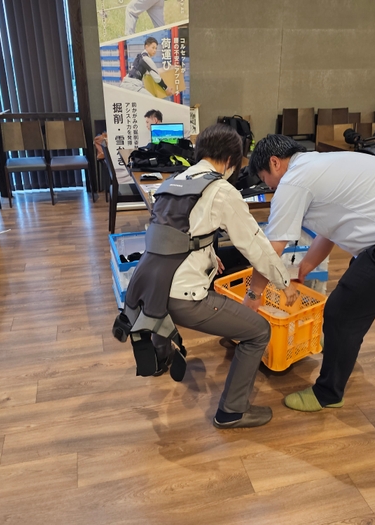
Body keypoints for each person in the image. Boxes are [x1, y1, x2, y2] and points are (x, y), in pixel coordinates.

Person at [246, 135, 375, 413]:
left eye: (265, 179)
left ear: (274, 163)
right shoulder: (319, 164)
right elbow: (329, 230)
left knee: (342, 312)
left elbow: (272, 249)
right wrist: (304, 268)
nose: (269, 186)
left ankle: (328, 394)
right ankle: (339, 346)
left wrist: (254, 294)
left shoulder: (293, 180)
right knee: (352, 302)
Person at [122, 124, 298, 429]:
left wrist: (206, 253)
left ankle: (161, 356)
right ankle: (232, 411)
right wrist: (285, 283)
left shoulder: (172, 182)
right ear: (231, 160)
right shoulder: (221, 190)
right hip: (183, 298)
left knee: (172, 295)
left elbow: (172, 234)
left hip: (148, 287)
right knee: (258, 331)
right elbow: (256, 245)